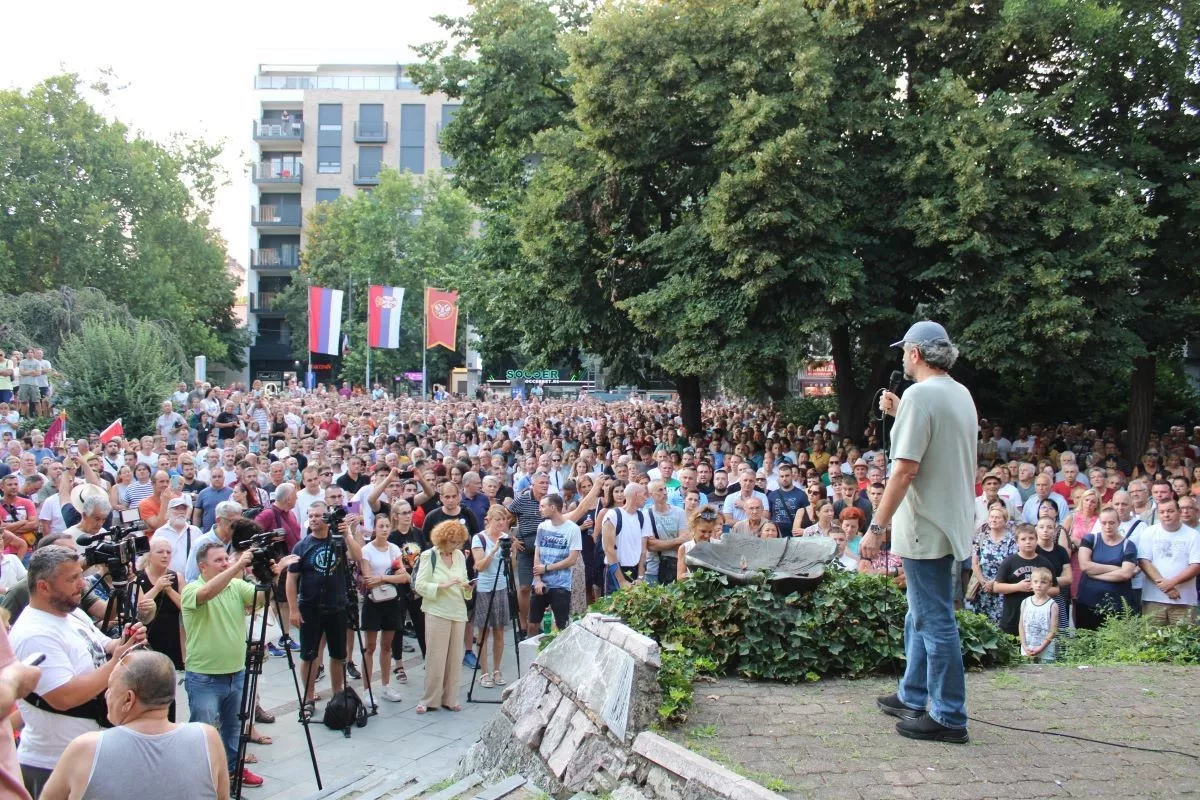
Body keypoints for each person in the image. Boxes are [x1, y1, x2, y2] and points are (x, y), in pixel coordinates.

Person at [865, 320, 976, 744]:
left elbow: (905, 469)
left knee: (934, 619)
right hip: (949, 520)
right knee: (920, 613)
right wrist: (899, 414)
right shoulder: (957, 392)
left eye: (903, 351)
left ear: (915, 354)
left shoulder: (919, 396)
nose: (901, 358)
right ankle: (913, 694)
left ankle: (949, 716)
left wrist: (877, 526)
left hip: (924, 527)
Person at [9, 546, 146, 796]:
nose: (81, 584)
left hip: (90, 753)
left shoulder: (71, 614)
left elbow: (104, 645)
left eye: (80, 576)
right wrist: (117, 661)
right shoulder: (34, 632)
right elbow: (64, 697)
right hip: (53, 764)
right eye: (72, 579)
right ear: (43, 587)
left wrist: (126, 642)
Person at [39, 650, 229, 800]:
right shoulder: (207, 737)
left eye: (110, 687)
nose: (106, 695)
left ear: (128, 699)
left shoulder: (86, 748)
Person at [184, 539, 294, 790]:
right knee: (203, 731)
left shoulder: (235, 585)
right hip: (204, 677)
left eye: (226, 558)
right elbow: (206, 594)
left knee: (233, 728)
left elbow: (261, 600)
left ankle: (234, 771)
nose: (225, 563)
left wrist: (271, 579)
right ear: (203, 566)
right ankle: (199, 780)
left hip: (236, 672)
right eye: (218, 560)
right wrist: (236, 567)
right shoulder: (192, 589)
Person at [287, 501, 363, 720]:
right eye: (310, 516)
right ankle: (308, 697)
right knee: (309, 655)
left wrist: (347, 534)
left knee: (338, 655)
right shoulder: (302, 546)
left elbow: (357, 557)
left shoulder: (338, 541)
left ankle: (338, 694)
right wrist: (293, 610)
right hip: (310, 608)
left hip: (337, 607)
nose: (314, 519)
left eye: (319, 515)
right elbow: (291, 580)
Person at [414, 519, 471, 714]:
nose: (456, 545)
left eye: (458, 541)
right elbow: (420, 585)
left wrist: (468, 587)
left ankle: (450, 697)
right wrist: (441, 586)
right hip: (437, 610)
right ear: (443, 539)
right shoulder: (429, 556)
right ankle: (429, 699)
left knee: (455, 657)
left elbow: (464, 582)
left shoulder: (460, 557)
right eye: (452, 541)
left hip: (458, 610)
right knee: (435, 657)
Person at [357, 515, 405, 703]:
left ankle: (386, 685)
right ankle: (367, 689)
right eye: (381, 526)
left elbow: (402, 576)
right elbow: (368, 580)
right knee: (370, 647)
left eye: (387, 526)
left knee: (387, 646)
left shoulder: (394, 549)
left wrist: (383, 579)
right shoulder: (366, 550)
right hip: (373, 601)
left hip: (391, 599)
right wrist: (386, 578)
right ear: (375, 528)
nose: (384, 529)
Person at [1135, 496, 1200, 627]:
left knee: (1184, 642)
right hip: (1153, 599)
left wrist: (1171, 583)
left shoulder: (1193, 535)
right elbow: (1143, 561)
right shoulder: (1149, 532)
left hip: (1184, 600)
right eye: (1162, 512)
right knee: (1152, 643)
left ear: (1179, 512)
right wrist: (1167, 588)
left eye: (1170, 511)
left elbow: (1196, 565)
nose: (1166, 515)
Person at [1074, 507, 1138, 630]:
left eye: (1111, 522)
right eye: (1104, 523)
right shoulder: (1090, 539)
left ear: (1118, 523)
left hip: (1117, 605)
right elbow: (1085, 566)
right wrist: (1114, 568)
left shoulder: (1128, 545)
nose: (1107, 526)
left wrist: (1094, 574)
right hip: (1087, 602)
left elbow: (1125, 574)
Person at [471, 505, 513, 688]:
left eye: (504, 519)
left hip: (501, 587)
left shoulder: (506, 538)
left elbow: (512, 568)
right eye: (498, 520)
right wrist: (495, 549)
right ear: (489, 520)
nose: (501, 523)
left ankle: (497, 669)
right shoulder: (479, 538)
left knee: (499, 630)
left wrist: (511, 555)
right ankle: (484, 672)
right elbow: (480, 566)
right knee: (483, 630)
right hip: (485, 588)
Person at [530, 494, 582, 636]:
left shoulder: (572, 529)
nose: (539, 509)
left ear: (553, 508)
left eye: (542, 506)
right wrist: (538, 580)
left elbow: (572, 560)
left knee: (561, 626)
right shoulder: (542, 526)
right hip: (540, 583)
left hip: (561, 585)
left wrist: (546, 568)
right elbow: (537, 555)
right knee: (533, 623)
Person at [992, 524, 1056, 637]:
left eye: (1031, 538)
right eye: (1023, 539)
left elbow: (1056, 589)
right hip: (1012, 617)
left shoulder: (1045, 563)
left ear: (1037, 540)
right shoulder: (1009, 562)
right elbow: (997, 587)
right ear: (1017, 542)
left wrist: (1036, 588)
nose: (1028, 542)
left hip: (1037, 620)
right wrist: (1017, 587)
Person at [136, 538, 184, 670]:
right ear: (150, 555)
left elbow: (186, 607)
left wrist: (168, 590)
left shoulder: (177, 577)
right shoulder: (139, 579)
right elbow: (140, 608)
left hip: (172, 636)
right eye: (160, 552)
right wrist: (157, 588)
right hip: (148, 635)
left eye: (168, 552)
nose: (165, 555)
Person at [967, 505, 1016, 626]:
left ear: (1005, 521)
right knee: (982, 624)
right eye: (992, 517)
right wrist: (984, 583)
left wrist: (993, 583)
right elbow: (975, 563)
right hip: (983, 589)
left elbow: (1011, 565)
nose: (993, 520)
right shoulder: (980, 538)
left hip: (1002, 588)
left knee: (1001, 624)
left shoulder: (1011, 540)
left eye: (998, 517)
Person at [1018, 568, 1059, 663]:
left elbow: (1053, 631)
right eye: (1035, 582)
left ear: (1050, 585)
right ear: (1031, 583)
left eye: (1043, 582)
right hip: (1027, 650)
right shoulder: (1025, 602)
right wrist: (1024, 645)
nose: (1039, 585)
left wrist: (1040, 648)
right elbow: (1021, 625)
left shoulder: (1052, 605)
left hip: (1046, 653)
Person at [676, 505, 720, 582]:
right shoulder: (684, 548)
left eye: (710, 532)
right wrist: (699, 575)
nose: (706, 535)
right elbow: (680, 577)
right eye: (703, 531)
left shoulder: (719, 545)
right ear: (693, 527)